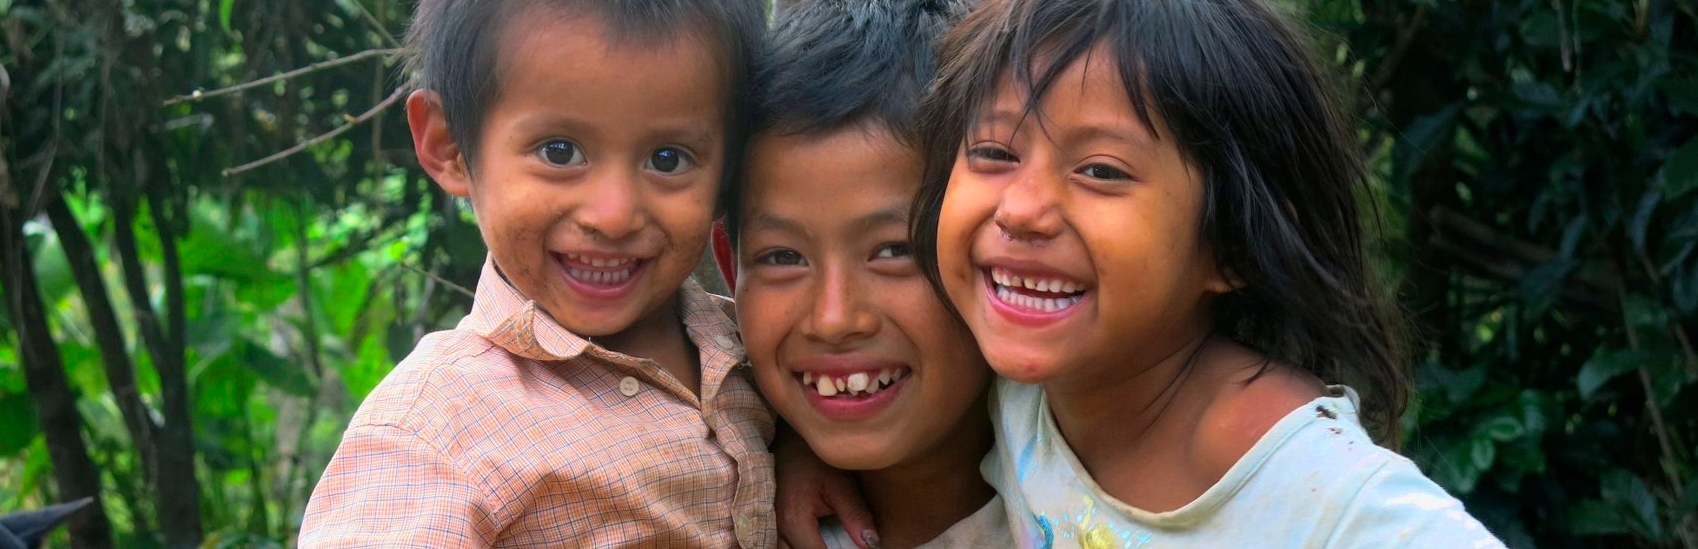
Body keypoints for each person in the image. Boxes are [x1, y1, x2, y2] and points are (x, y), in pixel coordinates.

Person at [788, 0, 1512, 545]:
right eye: (995, 154)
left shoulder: (1309, 485)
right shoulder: (1026, 386)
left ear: (1232, 243)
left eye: (1101, 170)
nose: (1024, 208)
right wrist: (783, 447)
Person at [297, 1, 773, 546]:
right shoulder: (435, 429)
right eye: (559, 151)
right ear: (449, 145)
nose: (613, 215)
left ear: (730, 165)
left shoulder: (755, 350)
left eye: (668, 159)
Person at [727, 1, 1008, 548]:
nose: (834, 319)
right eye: (783, 257)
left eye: (894, 251)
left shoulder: (1106, 492)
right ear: (729, 261)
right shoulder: (702, 501)